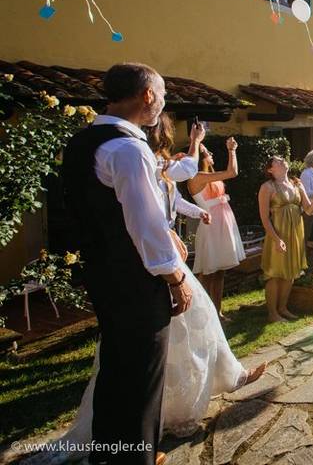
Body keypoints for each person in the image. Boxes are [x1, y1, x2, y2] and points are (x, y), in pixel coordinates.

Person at [60, 63, 191, 465]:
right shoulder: (129, 149)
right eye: (163, 94)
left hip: (103, 273)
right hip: (137, 280)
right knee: (142, 377)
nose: (163, 103)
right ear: (147, 96)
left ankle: (109, 453)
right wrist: (175, 277)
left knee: (117, 370)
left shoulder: (83, 142)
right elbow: (146, 228)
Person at [258, 156, 313, 322]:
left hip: (295, 232)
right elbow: (264, 218)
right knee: (274, 274)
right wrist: (276, 239)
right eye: (277, 160)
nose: (282, 160)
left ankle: (283, 308)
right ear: (270, 169)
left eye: (282, 159)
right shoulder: (267, 187)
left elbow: (309, 210)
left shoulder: (297, 183)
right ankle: (272, 313)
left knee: (290, 272)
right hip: (278, 233)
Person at [187, 138, 245, 320]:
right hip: (211, 226)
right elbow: (232, 172)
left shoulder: (211, 176)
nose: (211, 154)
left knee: (220, 272)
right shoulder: (196, 177)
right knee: (208, 272)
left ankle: (217, 312)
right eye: (207, 152)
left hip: (224, 223)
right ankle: (203, 315)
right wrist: (231, 150)